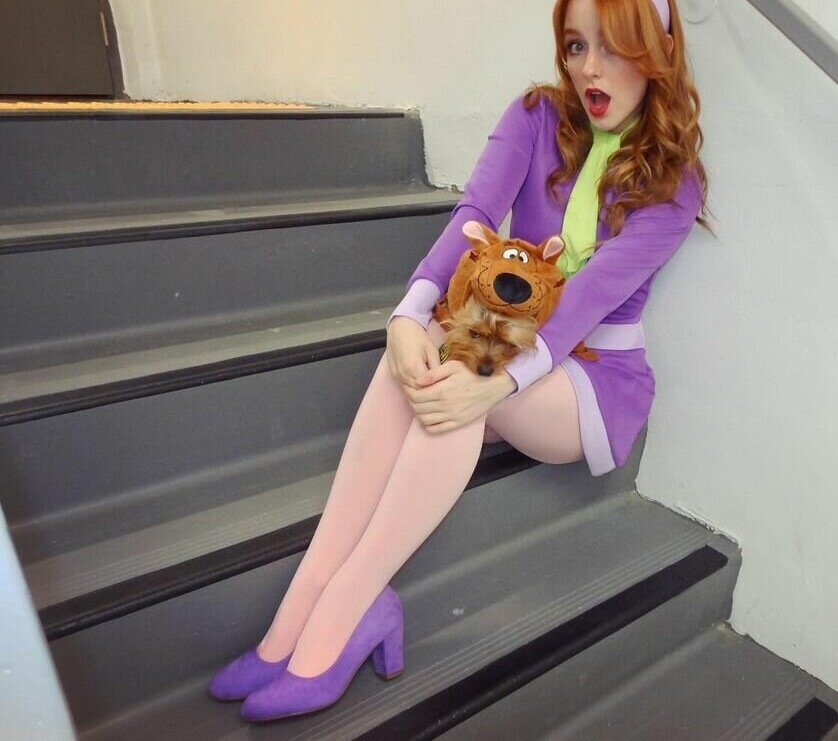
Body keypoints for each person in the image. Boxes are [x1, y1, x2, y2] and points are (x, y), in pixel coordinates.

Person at [208, 0, 708, 722]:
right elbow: (474, 212)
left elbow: (589, 299)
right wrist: (406, 315)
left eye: (612, 47)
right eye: (576, 46)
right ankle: (302, 607)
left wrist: (497, 381)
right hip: (502, 338)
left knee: (463, 366)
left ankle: (339, 615)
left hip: (592, 378)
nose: (589, 68)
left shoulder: (676, 181)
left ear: (656, 51)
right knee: (415, 358)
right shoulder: (538, 117)